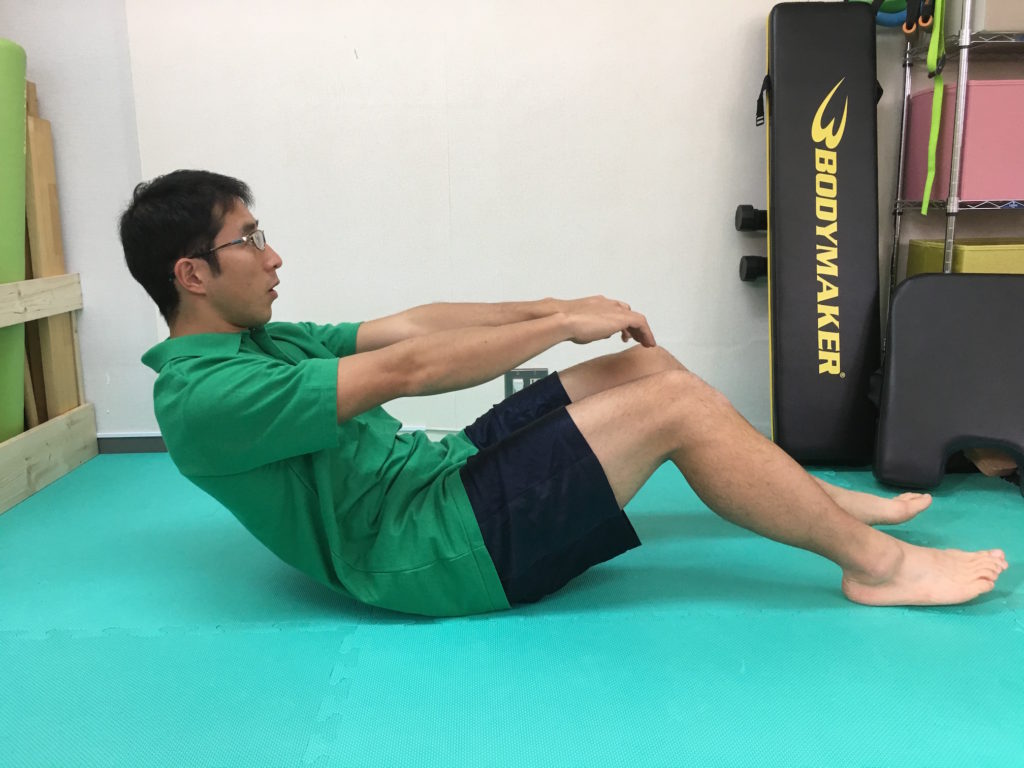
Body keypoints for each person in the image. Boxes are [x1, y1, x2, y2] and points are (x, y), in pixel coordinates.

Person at [120, 169, 1008, 617]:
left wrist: (555, 306)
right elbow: (406, 372)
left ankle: (811, 498)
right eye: (249, 240)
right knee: (677, 410)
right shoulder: (206, 398)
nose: (272, 256)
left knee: (649, 371)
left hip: (438, 480)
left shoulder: (260, 341)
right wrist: (557, 331)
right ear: (192, 273)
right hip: (427, 552)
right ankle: (878, 568)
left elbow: (407, 327)